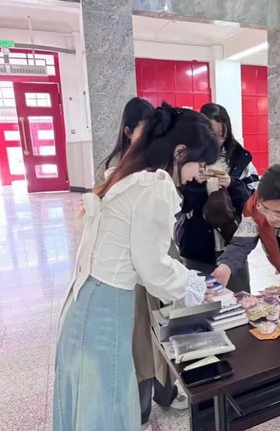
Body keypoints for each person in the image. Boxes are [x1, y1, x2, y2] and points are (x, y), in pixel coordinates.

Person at [53, 104, 219, 431]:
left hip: (85, 301)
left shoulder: (128, 174)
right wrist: (194, 285)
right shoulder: (154, 185)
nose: (198, 174)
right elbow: (153, 270)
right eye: (199, 164)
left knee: (93, 401)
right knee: (106, 404)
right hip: (104, 307)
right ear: (180, 152)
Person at [94, 98, 186, 431]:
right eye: (143, 133)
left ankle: (166, 391)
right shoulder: (115, 171)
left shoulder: (155, 165)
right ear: (127, 131)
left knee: (165, 326)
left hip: (157, 258)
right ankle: (141, 404)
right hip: (132, 272)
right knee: (139, 338)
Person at [174, 103, 258, 292]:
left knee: (238, 298)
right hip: (197, 247)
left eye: (222, 135)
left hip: (232, 244)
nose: (217, 141)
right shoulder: (186, 160)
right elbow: (178, 207)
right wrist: (195, 185)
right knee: (201, 299)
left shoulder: (240, 158)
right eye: (212, 135)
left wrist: (232, 184)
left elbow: (252, 203)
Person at [95, 97, 154, 183]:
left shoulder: (160, 164)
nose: (150, 138)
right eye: (145, 133)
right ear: (128, 132)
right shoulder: (108, 168)